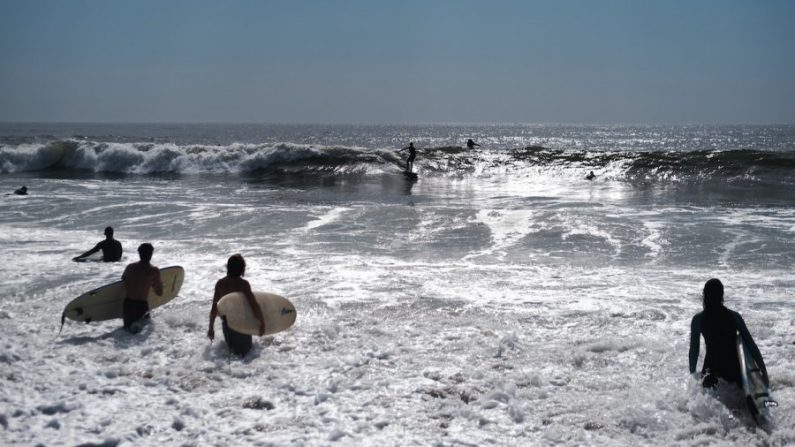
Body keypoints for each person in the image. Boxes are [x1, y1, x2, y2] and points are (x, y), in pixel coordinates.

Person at [689, 278, 768, 388]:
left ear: (704, 295)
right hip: (734, 370)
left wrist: (692, 376)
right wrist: (763, 371)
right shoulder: (734, 317)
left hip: (711, 369)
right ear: (722, 295)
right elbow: (751, 345)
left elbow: (694, 351)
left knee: (709, 396)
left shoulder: (698, 320)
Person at [208, 254, 266, 356]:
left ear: (228, 267)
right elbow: (254, 305)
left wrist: (211, 328)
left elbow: (214, 308)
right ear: (242, 268)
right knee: (245, 355)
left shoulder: (220, 284)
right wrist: (261, 323)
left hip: (226, 325)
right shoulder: (243, 284)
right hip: (241, 324)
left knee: (231, 353)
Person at [121, 243, 163, 333]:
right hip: (141, 305)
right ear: (151, 254)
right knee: (140, 333)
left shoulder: (130, 267)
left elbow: (124, 281)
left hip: (127, 304)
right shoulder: (153, 270)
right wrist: (156, 283)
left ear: (139, 253)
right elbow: (159, 293)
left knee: (127, 331)